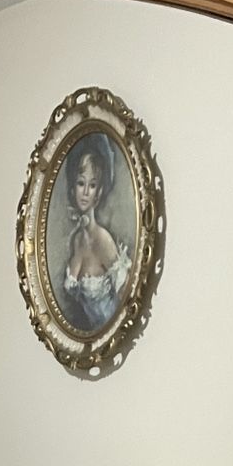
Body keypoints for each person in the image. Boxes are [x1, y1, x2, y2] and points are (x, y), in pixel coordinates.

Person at [57, 131, 131, 333]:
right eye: (81, 183)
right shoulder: (76, 240)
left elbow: (127, 300)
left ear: (99, 192)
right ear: (73, 187)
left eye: (92, 185)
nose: (86, 192)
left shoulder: (103, 240)